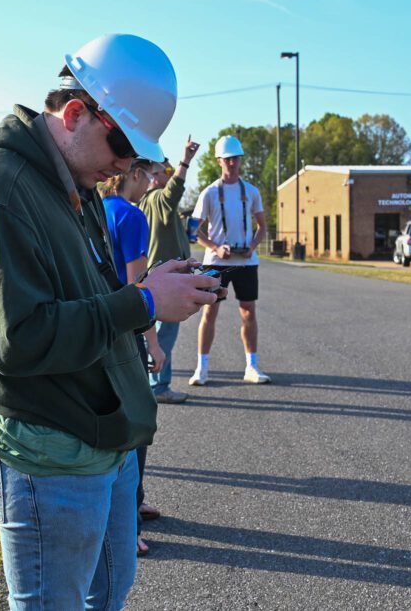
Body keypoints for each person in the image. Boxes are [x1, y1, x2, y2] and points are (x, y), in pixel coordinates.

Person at [0, 33, 219, 610]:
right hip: (44, 451)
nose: (127, 164)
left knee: (109, 591)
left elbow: (91, 288)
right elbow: (18, 341)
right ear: (74, 113)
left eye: (136, 153)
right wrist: (142, 304)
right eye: (123, 144)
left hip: (102, 439)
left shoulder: (77, 183)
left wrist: (148, 289)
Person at [100, 158, 165, 558]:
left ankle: (131, 504)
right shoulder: (133, 216)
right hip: (125, 334)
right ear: (135, 174)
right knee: (137, 426)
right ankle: (129, 526)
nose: (155, 182)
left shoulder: (98, 207)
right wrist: (153, 343)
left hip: (97, 330)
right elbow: (138, 289)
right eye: (152, 174)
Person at [189, 135, 271, 386]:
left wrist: (252, 246)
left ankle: (251, 366)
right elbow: (192, 230)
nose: (233, 163)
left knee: (248, 313)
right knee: (209, 312)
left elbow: (262, 226)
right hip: (216, 261)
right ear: (219, 161)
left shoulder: (252, 191)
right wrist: (215, 246)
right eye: (228, 159)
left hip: (246, 262)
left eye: (236, 158)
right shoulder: (210, 192)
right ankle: (201, 368)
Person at [137, 136, 200, 404]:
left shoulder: (146, 202)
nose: (172, 174)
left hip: (156, 276)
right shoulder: (159, 200)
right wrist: (185, 161)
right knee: (166, 333)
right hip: (169, 278)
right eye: (168, 170)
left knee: (157, 329)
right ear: (155, 176)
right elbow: (173, 191)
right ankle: (158, 387)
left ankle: (152, 382)